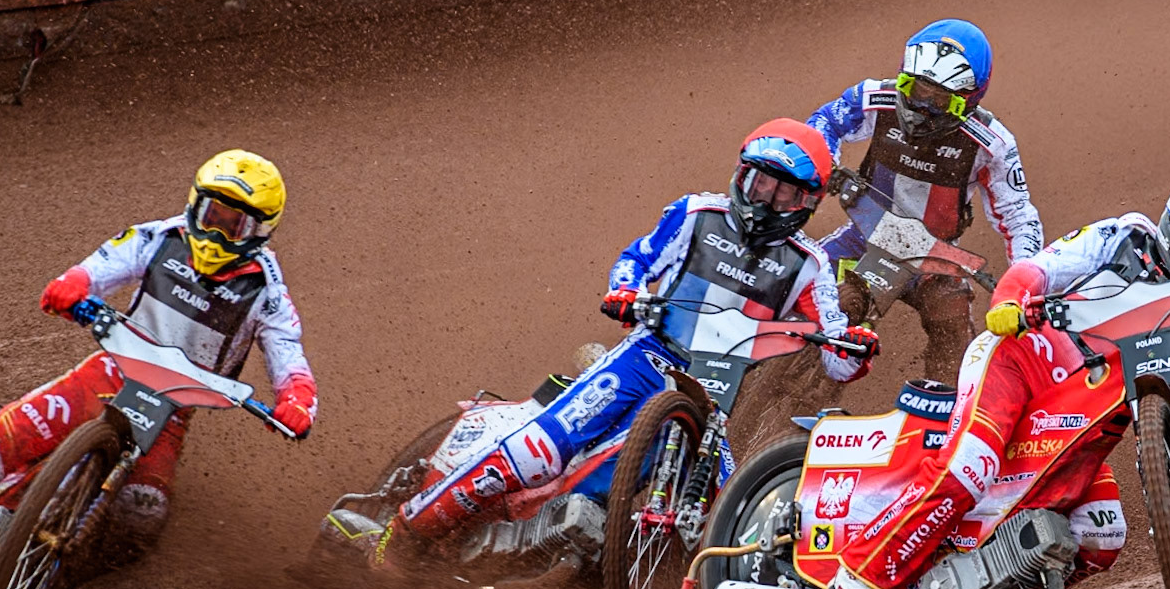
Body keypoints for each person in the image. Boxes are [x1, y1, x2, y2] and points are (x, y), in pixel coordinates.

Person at [822, 168, 1170, 589]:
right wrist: (1010, 301)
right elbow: (1040, 269)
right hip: (1019, 364)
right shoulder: (1124, 236)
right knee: (970, 466)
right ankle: (856, 583)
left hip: (1079, 428)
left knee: (1103, 533)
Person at [365, 119, 881, 553]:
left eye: (783, 190)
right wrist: (625, 292)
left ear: (807, 201)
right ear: (740, 176)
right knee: (532, 452)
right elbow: (636, 260)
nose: (765, 199)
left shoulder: (810, 267)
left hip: (712, 402)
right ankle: (401, 538)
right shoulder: (696, 214)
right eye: (758, 183)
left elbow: (836, 352)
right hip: (643, 360)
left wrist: (855, 349)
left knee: (735, 517)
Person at [0, 149, 317, 574]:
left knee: (144, 514)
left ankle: (46, 579)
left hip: (170, 412)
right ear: (194, 205)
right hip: (106, 376)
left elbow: (287, 353)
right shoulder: (158, 237)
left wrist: (296, 399)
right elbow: (100, 267)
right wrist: (72, 285)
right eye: (212, 214)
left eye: (235, 224)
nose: (218, 232)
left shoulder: (266, 292)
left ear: (259, 229)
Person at [807, 18, 1043, 381]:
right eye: (918, 90)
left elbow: (1018, 216)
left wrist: (1024, 279)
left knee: (956, 341)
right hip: (861, 240)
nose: (924, 107)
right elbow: (824, 123)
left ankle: (942, 417)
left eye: (940, 99)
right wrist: (828, 166)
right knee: (803, 294)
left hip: (934, 261)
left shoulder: (991, 143)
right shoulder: (875, 98)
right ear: (904, 77)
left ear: (970, 98)